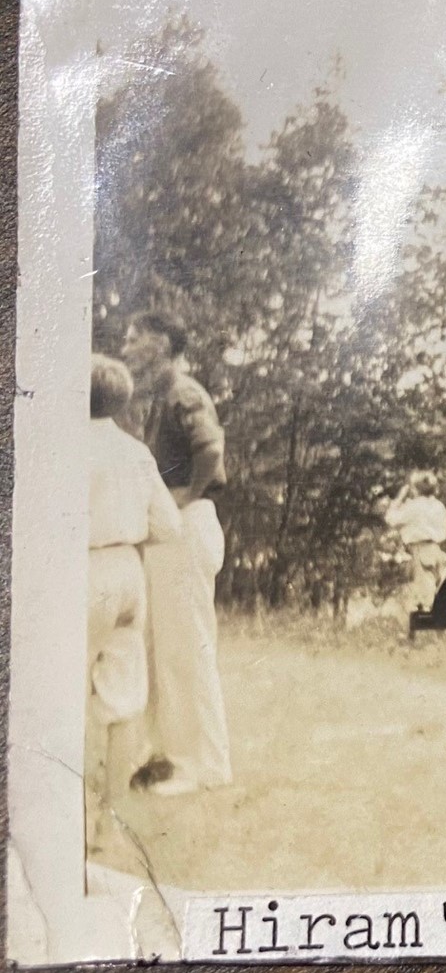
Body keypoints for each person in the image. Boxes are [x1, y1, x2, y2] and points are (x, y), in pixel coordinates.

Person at [120, 310, 231, 796]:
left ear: (162, 344)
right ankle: (175, 759)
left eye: (134, 339)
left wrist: (184, 496)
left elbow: (211, 449)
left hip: (187, 525)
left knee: (188, 651)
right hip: (173, 531)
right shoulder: (162, 397)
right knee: (167, 651)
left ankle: (206, 768)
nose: (126, 349)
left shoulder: (184, 392)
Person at [86, 355, 181, 851]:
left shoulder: (66, 450)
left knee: (65, 695)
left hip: (82, 568)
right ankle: (109, 823)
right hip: (128, 571)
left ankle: (68, 819)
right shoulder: (135, 452)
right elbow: (170, 526)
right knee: (123, 702)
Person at [384, 470, 446, 616]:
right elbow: (444, 530)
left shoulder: (414, 506)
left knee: (423, 597)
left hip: (419, 550)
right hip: (436, 549)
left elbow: (391, 519)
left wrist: (399, 499)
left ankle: (420, 632)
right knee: (436, 590)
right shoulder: (439, 506)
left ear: (415, 489)